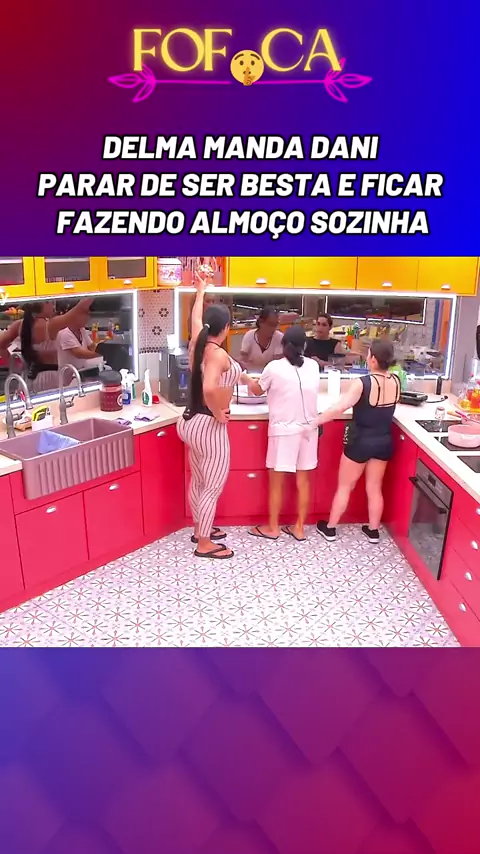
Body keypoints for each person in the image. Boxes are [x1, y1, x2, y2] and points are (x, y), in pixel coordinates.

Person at [177, 272, 250, 560]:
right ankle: (204, 544)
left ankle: (200, 530)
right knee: (212, 486)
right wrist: (219, 412)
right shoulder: (217, 355)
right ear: (227, 328)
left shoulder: (198, 341)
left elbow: (195, 318)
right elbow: (209, 388)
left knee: (198, 480)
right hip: (208, 425)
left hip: (188, 421)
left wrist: (200, 291)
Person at [313, 339, 401, 544]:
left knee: (345, 486)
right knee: (375, 487)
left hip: (360, 441)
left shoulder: (362, 383)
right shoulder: (396, 381)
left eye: (368, 355)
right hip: (384, 441)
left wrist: (315, 421)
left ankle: (331, 528)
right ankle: (373, 531)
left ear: (373, 359)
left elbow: (339, 408)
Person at [244, 326, 321, 542]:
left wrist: (246, 379)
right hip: (308, 430)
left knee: (276, 482)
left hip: (283, 431)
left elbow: (257, 390)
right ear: (304, 345)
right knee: (303, 481)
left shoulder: (274, 367)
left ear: (283, 344)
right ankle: (299, 528)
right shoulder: (313, 366)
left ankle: (273, 527)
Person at [0, 297, 94, 392]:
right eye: (51, 303)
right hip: (51, 380)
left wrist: (14, 367)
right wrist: (92, 293)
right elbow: (77, 311)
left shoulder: (18, 325)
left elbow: (1, 345)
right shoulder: (51, 325)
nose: (53, 306)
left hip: (27, 380)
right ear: (42, 304)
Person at [56, 302, 103, 381]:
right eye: (86, 314)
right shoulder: (64, 333)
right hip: (70, 379)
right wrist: (103, 353)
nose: (88, 317)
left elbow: (91, 347)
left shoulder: (81, 330)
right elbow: (80, 354)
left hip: (83, 373)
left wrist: (101, 345)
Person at [239, 306, 284, 372]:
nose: (273, 328)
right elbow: (243, 360)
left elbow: (276, 364)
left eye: (275, 325)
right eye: (270, 324)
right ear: (261, 322)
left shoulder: (279, 337)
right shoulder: (249, 336)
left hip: (271, 374)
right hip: (251, 374)